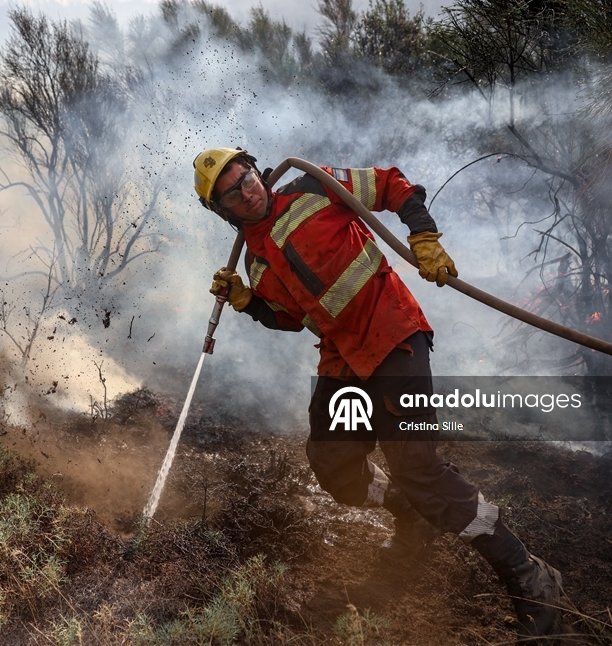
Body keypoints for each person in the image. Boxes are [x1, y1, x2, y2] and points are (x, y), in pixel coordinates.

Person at [193, 147, 576, 641]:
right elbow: (291, 316)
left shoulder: (312, 186)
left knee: (419, 469)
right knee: (332, 464)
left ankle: (529, 577)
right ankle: (408, 512)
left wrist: (425, 236)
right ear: (222, 210)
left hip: (394, 337)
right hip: (343, 359)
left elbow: (393, 184)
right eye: (232, 192)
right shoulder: (254, 257)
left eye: (246, 177)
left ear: (255, 169)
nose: (247, 191)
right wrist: (248, 302)